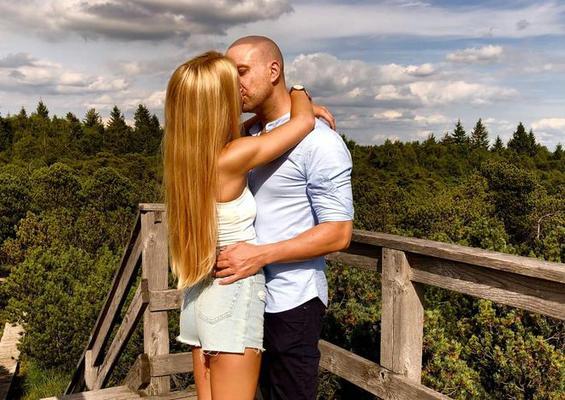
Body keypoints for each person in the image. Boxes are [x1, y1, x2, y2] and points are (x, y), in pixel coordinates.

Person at [162, 50, 333, 400]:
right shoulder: (234, 156)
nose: (239, 91)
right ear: (218, 103)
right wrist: (299, 92)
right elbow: (302, 124)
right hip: (233, 295)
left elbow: (238, 132)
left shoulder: (187, 158)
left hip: (199, 295)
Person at [215, 36, 354, 400]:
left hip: (292, 302)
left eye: (242, 71)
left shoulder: (319, 142)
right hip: (246, 297)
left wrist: (260, 255)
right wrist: (301, 103)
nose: (233, 82)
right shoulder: (247, 137)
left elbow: (339, 233)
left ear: (273, 71)